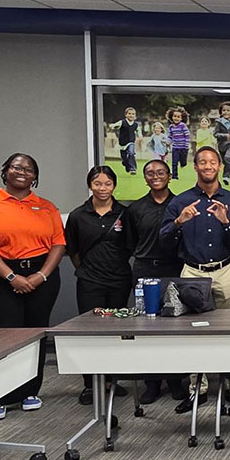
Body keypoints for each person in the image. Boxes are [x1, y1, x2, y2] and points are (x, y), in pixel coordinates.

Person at [0, 153, 65, 420]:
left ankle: (30, 390)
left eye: (29, 169)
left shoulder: (46, 207)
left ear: (35, 177)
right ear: (5, 171)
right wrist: (11, 277)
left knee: (34, 334)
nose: (22, 172)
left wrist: (41, 276)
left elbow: (58, 244)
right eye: (16, 167)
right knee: (1, 337)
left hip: (41, 278)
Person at [160, 147, 230, 413]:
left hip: (224, 270)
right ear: (194, 167)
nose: (207, 166)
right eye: (202, 162)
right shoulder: (180, 202)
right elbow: (163, 241)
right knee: (195, 332)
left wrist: (225, 223)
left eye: (212, 162)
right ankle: (198, 388)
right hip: (193, 271)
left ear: (220, 166)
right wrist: (179, 222)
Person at [65, 166, 135, 405]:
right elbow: (72, 250)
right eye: (97, 184)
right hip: (89, 281)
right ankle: (89, 384)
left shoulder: (125, 214)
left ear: (114, 186)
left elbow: (129, 247)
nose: (102, 188)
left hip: (119, 281)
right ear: (90, 185)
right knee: (89, 332)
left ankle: (111, 381)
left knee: (115, 332)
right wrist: (86, 270)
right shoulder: (77, 215)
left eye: (107, 184)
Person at [125, 159, 188, 405]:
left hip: (174, 269)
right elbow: (130, 243)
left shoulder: (180, 204)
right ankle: (151, 383)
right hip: (143, 271)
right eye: (150, 173)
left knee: (175, 328)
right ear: (145, 178)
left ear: (169, 176)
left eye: (161, 172)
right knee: (146, 328)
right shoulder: (136, 208)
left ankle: (175, 380)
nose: (156, 176)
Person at [111, 107, 142, 175]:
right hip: (122, 143)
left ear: (135, 115)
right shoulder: (122, 122)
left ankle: (133, 169)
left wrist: (140, 136)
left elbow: (138, 131)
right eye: (129, 114)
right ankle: (127, 165)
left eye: (133, 114)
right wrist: (113, 126)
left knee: (131, 153)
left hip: (131, 142)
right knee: (124, 159)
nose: (131, 115)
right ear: (126, 115)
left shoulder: (136, 124)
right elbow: (114, 125)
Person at [166, 107, 191, 180]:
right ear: (171, 117)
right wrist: (168, 142)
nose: (176, 118)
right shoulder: (171, 127)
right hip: (175, 148)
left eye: (178, 117)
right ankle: (174, 176)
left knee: (183, 162)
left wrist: (186, 144)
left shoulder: (183, 126)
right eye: (174, 116)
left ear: (181, 118)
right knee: (174, 163)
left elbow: (187, 135)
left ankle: (183, 163)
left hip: (183, 147)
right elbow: (170, 136)